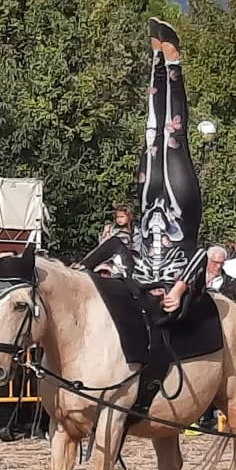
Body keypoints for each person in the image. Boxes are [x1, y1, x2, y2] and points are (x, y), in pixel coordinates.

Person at [76, 18, 208, 316]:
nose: (159, 296)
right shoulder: (177, 290)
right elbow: (201, 255)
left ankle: (157, 59)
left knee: (151, 134)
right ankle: (173, 64)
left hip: (150, 209)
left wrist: (82, 268)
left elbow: (115, 245)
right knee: (173, 136)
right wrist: (179, 289)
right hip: (180, 213)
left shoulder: (137, 279)